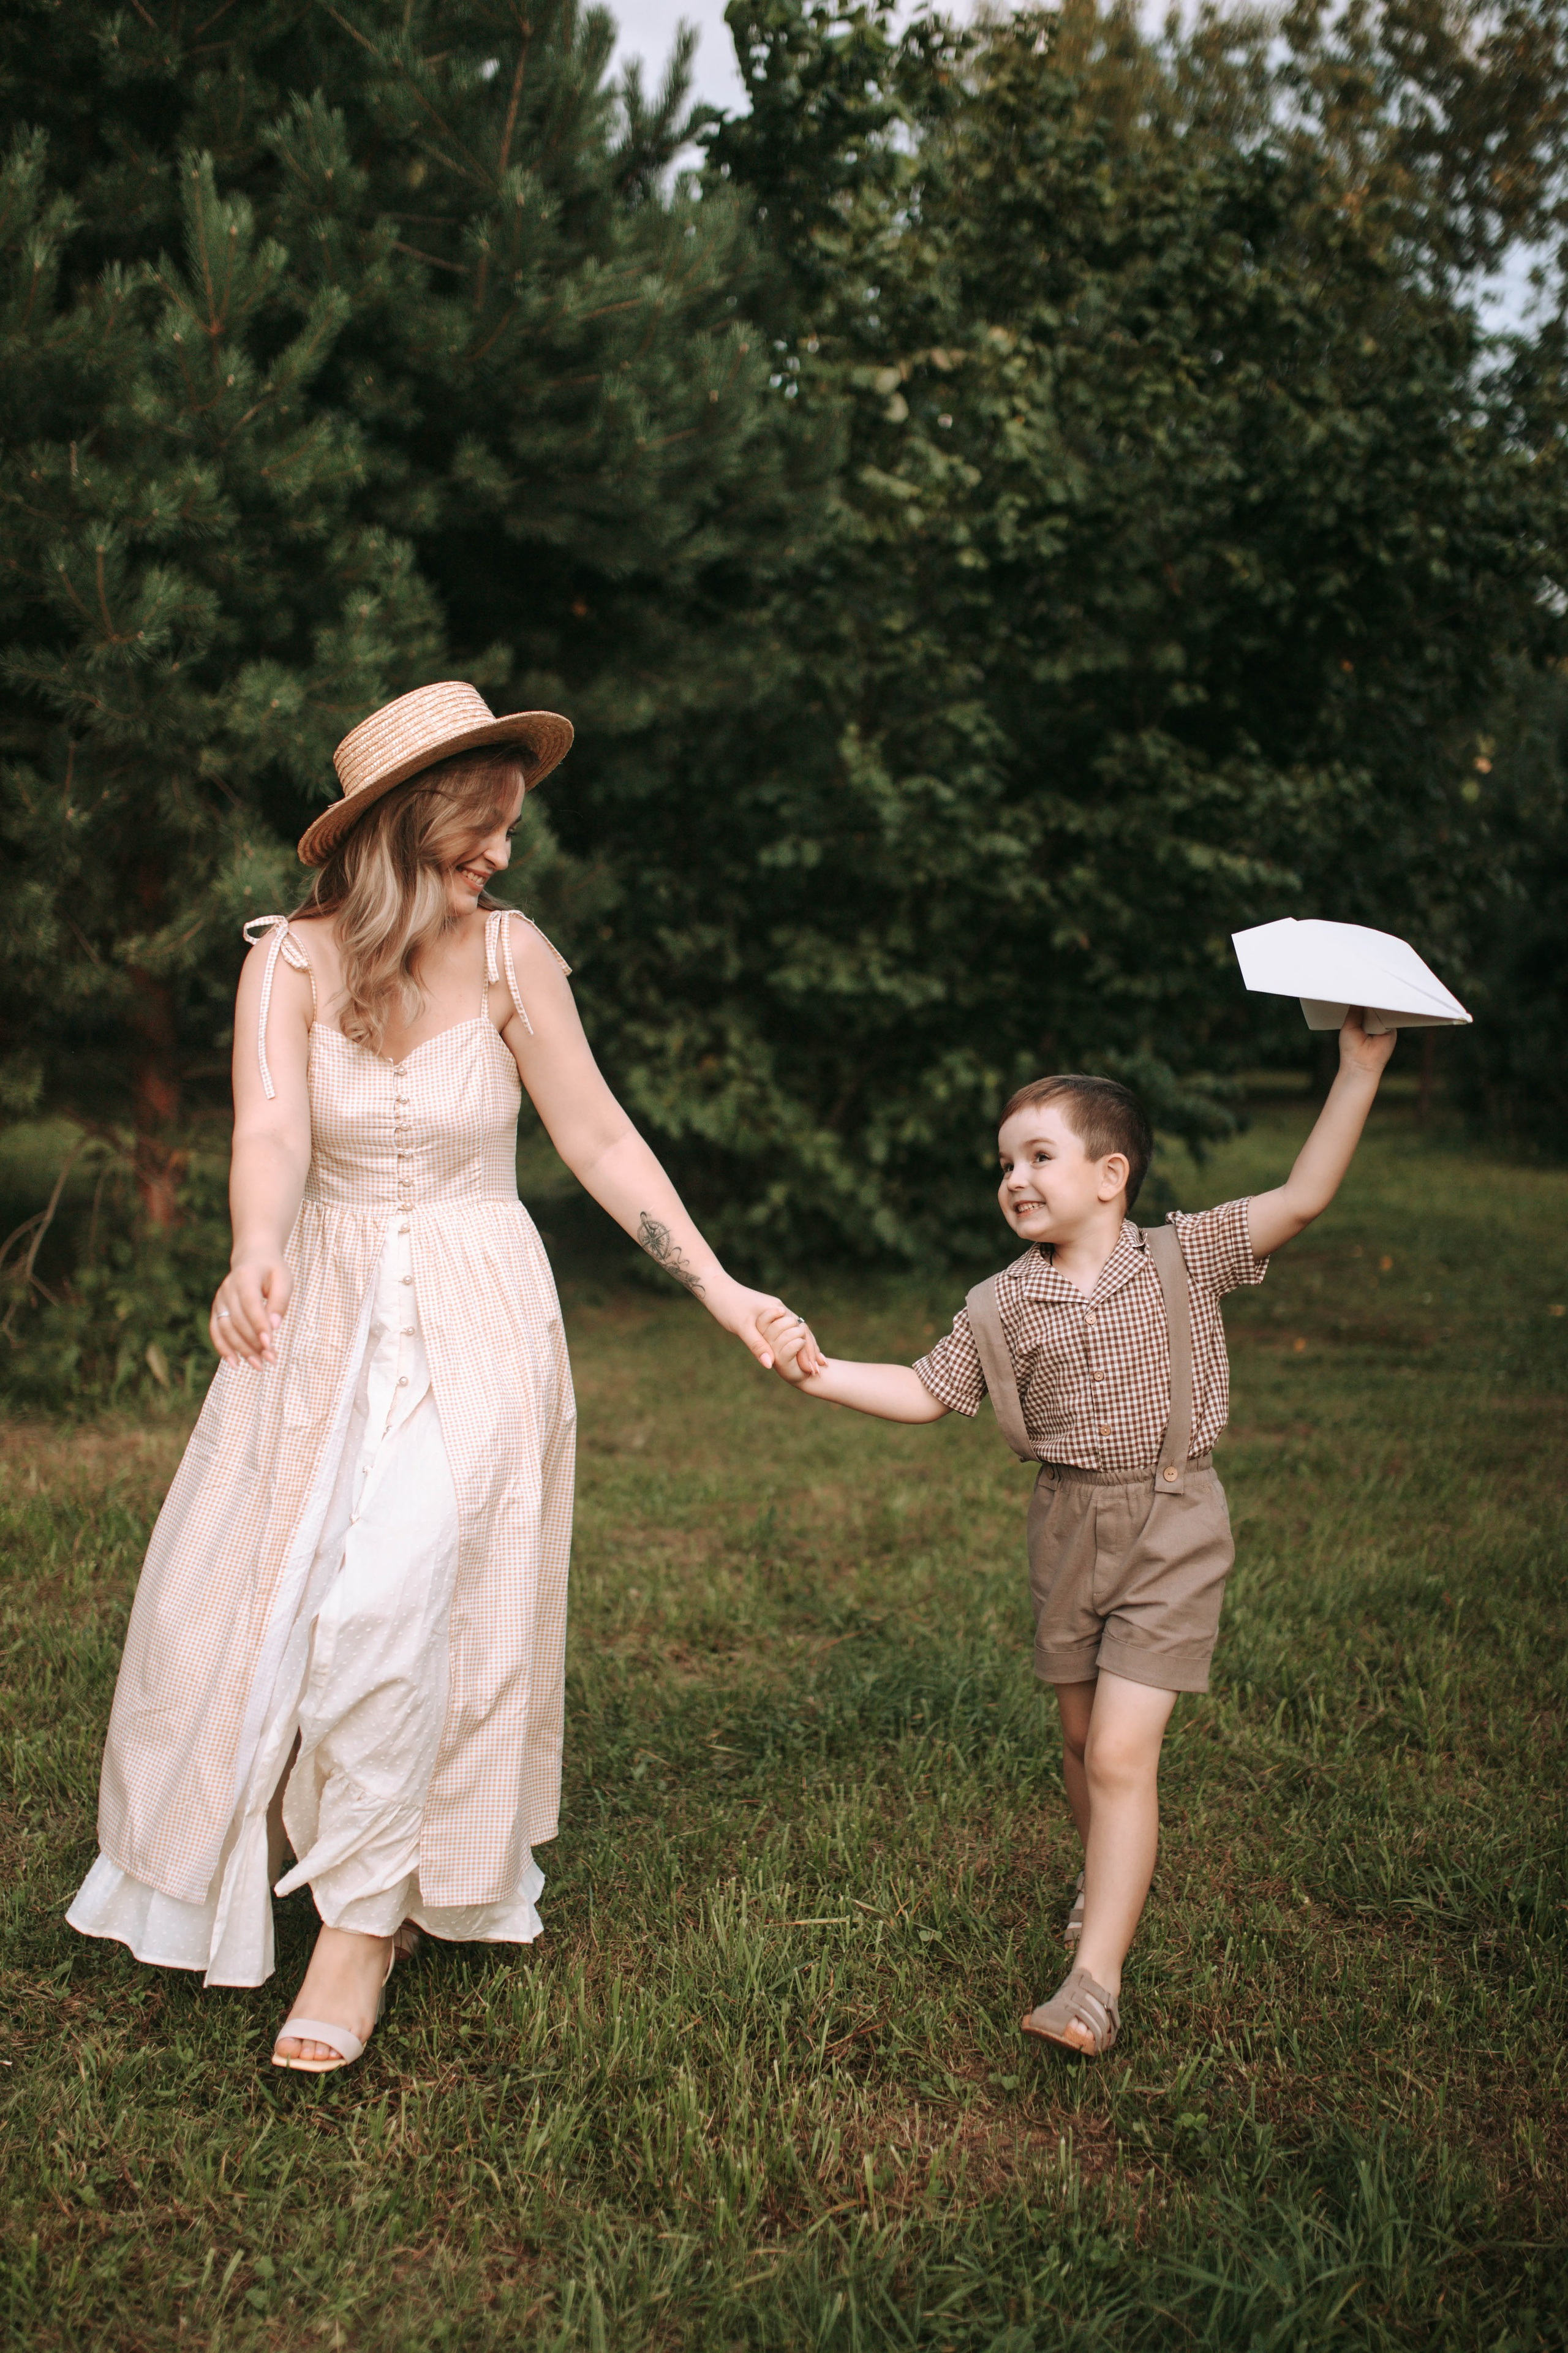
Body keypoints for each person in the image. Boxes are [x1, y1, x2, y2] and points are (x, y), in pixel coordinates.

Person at [68, 681, 821, 2074]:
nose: (506, 852)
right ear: (416, 818)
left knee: (402, 1597)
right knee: (265, 1601)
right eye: (487, 823)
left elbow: (597, 1141)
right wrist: (250, 1253)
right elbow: (272, 1134)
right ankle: (348, 1854)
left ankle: (359, 1933)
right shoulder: (285, 962)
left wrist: (722, 1290)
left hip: (479, 1310)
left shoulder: (511, 956)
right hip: (324, 1308)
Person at [759, 1013, 1397, 2056]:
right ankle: (1101, 1874)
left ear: (1111, 1173)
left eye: (1038, 1156)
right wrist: (818, 1370)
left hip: (1173, 1518)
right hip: (1066, 1524)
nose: (1014, 1177)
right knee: (1077, 1742)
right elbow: (926, 1392)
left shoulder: (1183, 1256)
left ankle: (1092, 1982)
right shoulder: (998, 1305)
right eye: (1004, 1162)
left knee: (1117, 1752)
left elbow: (1304, 1195)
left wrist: (1359, 1067)